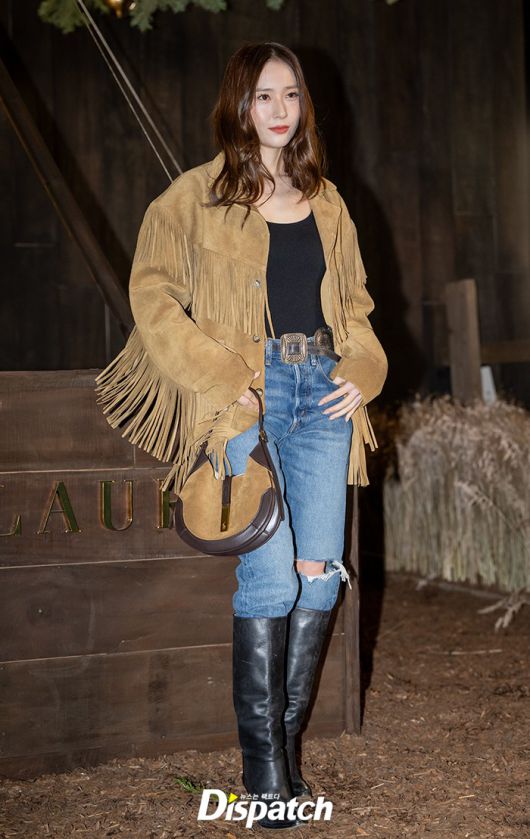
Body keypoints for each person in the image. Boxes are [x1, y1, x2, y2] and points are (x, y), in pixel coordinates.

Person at [95, 41, 387, 830]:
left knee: (319, 579)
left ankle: (283, 753)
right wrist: (223, 378)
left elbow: (355, 307)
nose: (280, 109)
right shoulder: (192, 199)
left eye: (290, 94)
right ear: (239, 104)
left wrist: (366, 365)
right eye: (264, 96)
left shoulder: (328, 201)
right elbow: (152, 296)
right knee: (272, 581)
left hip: (322, 394)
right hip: (241, 402)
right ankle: (265, 777)